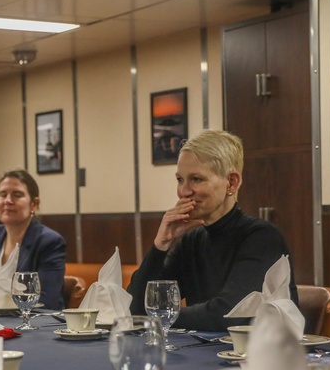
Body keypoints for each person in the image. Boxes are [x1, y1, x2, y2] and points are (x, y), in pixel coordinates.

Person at [127, 129, 297, 331]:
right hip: (206, 355)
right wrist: (160, 245)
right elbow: (135, 308)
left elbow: (226, 315)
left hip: (258, 359)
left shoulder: (261, 237)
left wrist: (159, 318)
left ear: (231, 182)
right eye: (180, 180)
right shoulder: (192, 240)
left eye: (196, 179)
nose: (184, 191)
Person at [0, 169, 66, 309]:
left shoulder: (49, 241)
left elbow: (46, 302)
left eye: (17, 195)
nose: (8, 201)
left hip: (28, 326)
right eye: (2, 194)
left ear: (33, 204)